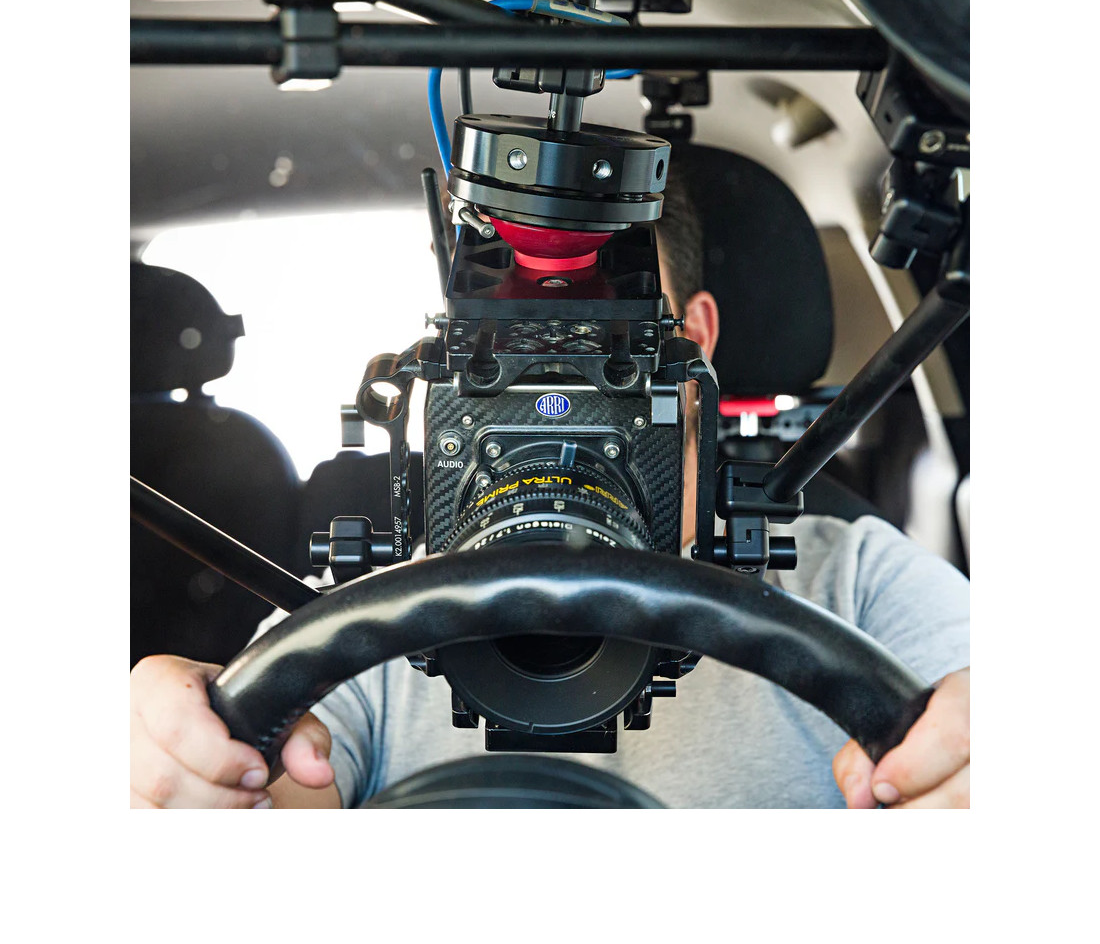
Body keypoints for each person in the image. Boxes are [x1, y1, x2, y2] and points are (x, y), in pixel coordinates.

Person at [130, 167, 970, 809]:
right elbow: (268, 793)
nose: (550, 381)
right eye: (503, 338)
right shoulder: (352, 625)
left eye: (606, 338)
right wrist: (184, 765)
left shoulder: (857, 585)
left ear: (696, 342)